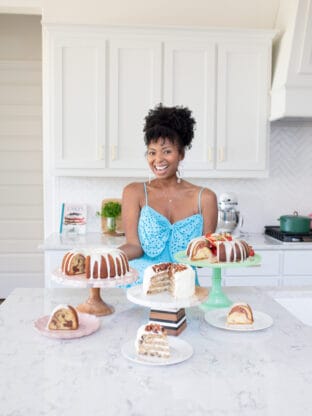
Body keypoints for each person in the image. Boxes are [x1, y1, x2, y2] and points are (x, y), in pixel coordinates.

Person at [119, 103, 218, 284]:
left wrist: (220, 250)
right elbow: (134, 247)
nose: (158, 159)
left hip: (185, 290)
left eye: (167, 151)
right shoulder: (134, 192)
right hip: (141, 286)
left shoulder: (205, 198)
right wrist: (107, 257)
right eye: (152, 152)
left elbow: (204, 258)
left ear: (181, 154)